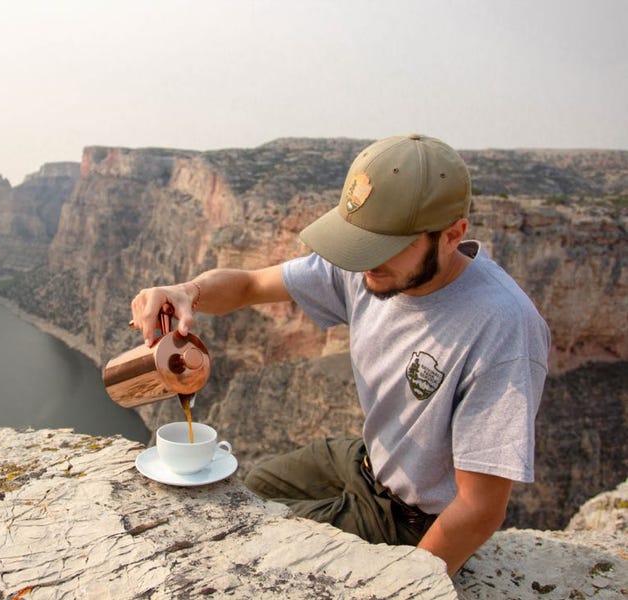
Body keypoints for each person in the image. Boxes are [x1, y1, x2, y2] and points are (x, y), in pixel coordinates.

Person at [129, 133, 551, 577]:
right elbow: (251, 285)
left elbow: (480, 507)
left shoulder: (502, 328)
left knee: (252, 544)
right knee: (246, 490)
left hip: (413, 517)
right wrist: (186, 291)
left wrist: (410, 583)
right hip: (368, 461)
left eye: (384, 245)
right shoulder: (369, 264)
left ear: (453, 235)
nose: (365, 261)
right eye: (359, 240)